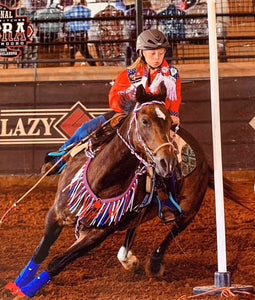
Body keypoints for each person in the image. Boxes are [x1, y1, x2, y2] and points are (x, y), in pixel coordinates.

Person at [43, 29, 182, 174]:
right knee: (86, 129)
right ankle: (60, 160)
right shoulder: (129, 74)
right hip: (128, 114)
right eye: (152, 53)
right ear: (142, 53)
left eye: (161, 53)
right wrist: (125, 110)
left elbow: (175, 96)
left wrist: (173, 113)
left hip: (159, 119)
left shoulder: (172, 74)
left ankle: (177, 182)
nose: (157, 58)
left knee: (176, 150)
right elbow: (114, 97)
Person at [64, 0, 96, 66]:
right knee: (85, 52)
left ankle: (70, 66)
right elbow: (88, 23)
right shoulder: (86, 11)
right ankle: (93, 65)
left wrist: (66, 35)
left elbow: (67, 23)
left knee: (72, 53)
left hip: (72, 34)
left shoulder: (68, 11)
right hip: (82, 34)